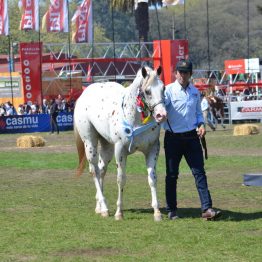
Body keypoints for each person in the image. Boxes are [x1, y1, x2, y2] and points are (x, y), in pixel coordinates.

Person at [162, 59, 221, 221]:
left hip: (192, 138)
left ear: (190, 74)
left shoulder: (195, 92)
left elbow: (197, 114)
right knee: (172, 175)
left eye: (185, 72)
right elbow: (160, 110)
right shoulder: (167, 91)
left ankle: (207, 209)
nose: (182, 75)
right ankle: (172, 209)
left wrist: (201, 124)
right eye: (180, 72)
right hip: (173, 139)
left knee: (200, 173)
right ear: (175, 73)